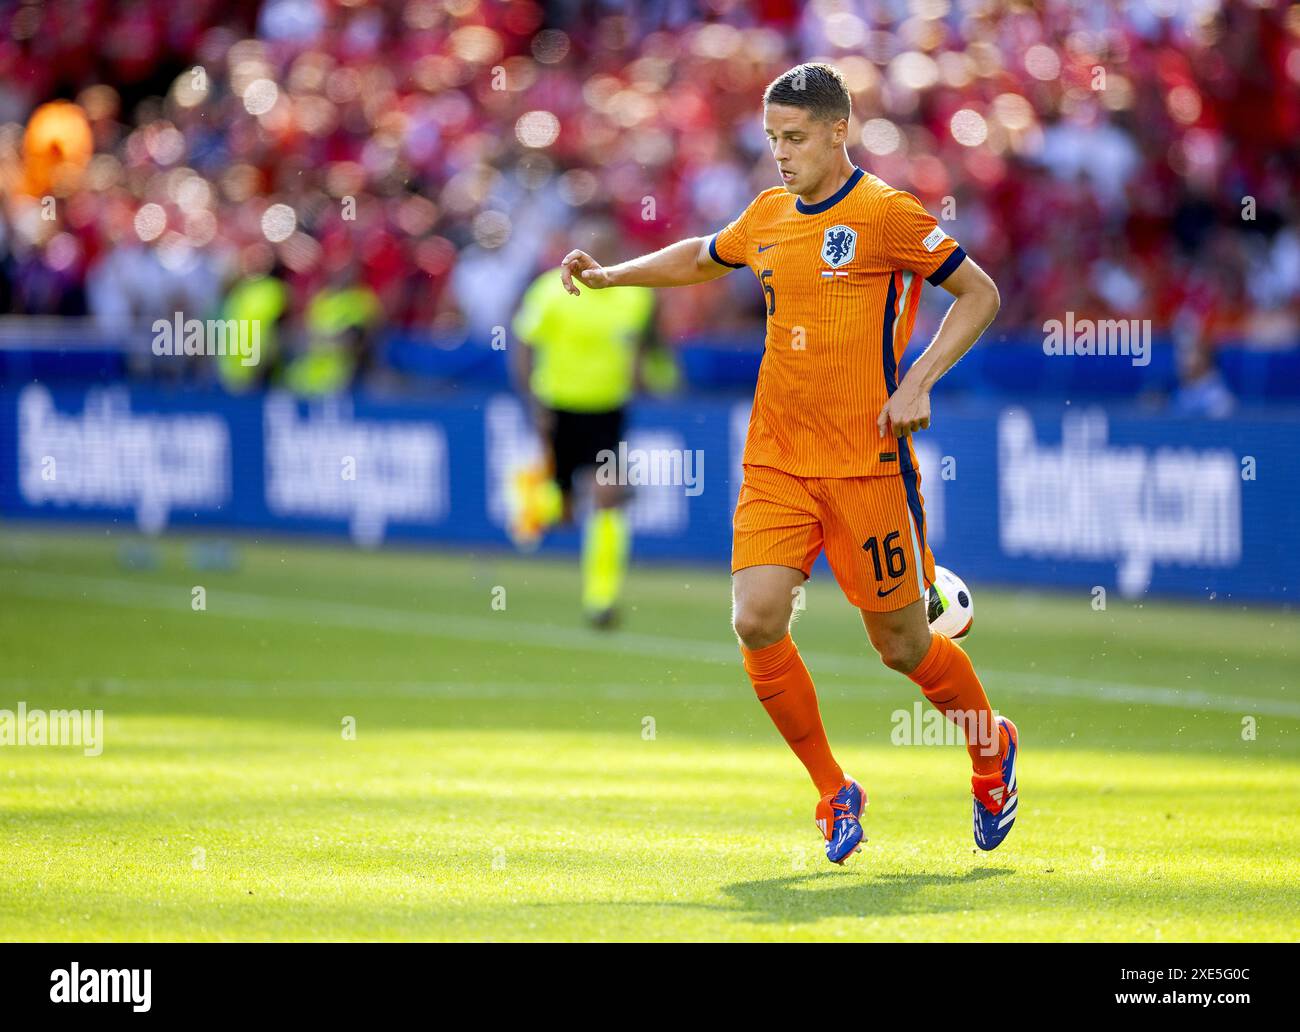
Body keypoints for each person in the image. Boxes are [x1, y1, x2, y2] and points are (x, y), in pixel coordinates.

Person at [559, 64, 1014, 862]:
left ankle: (990, 749)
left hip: (868, 463)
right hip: (777, 461)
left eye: (794, 137)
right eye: (772, 138)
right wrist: (611, 276)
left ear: (839, 131)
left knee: (903, 647)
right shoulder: (769, 213)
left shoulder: (885, 215)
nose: (780, 153)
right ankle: (834, 792)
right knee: (755, 618)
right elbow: (703, 257)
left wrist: (916, 382)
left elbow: (979, 294)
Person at [510, 219, 657, 628]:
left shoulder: (633, 296)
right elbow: (523, 343)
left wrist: (644, 378)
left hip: (607, 412)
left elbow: (640, 346)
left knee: (607, 495)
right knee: (561, 510)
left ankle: (601, 598)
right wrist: (532, 401)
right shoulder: (549, 291)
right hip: (558, 408)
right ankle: (537, 497)